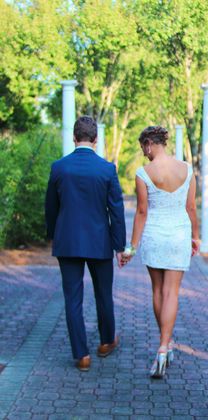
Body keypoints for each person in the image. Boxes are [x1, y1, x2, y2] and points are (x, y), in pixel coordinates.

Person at [45, 116, 126, 372]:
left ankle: (81, 356)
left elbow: (51, 208)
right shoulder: (107, 169)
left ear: (73, 137)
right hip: (99, 242)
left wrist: (52, 235)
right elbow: (117, 211)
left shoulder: (59, 167)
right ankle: (105, 343)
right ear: (95, 139)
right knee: (103, 294)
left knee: (73, 299)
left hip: (67, 242)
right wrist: (120, 246)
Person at [123, 125, 199, 378]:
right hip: (179, 235)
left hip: (154, 235)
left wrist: (131, 246)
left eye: (143, 147)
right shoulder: (187, 170)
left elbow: (142, 212)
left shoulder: (144, 173)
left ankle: (164, 344)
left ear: (149, 143)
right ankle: (165, 346)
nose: (144, 153)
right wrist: (195, 237)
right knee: (172, 293)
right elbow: (191, 208)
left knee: (157, 291)